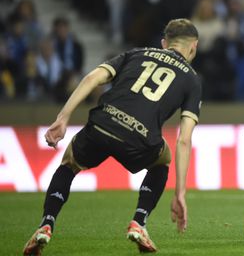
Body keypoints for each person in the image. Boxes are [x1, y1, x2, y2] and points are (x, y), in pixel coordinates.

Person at [23, 18, 202, 255]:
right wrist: (180, 191)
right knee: (163, 160)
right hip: (139, 138)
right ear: (194, 47)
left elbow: (91, 79)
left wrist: (63, 117)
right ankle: (139, 221)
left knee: (69, 163)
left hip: (102, 124)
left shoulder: (136, 53)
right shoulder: (192, 79)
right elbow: (184, 139)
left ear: (164, 43)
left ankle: (46, 223)